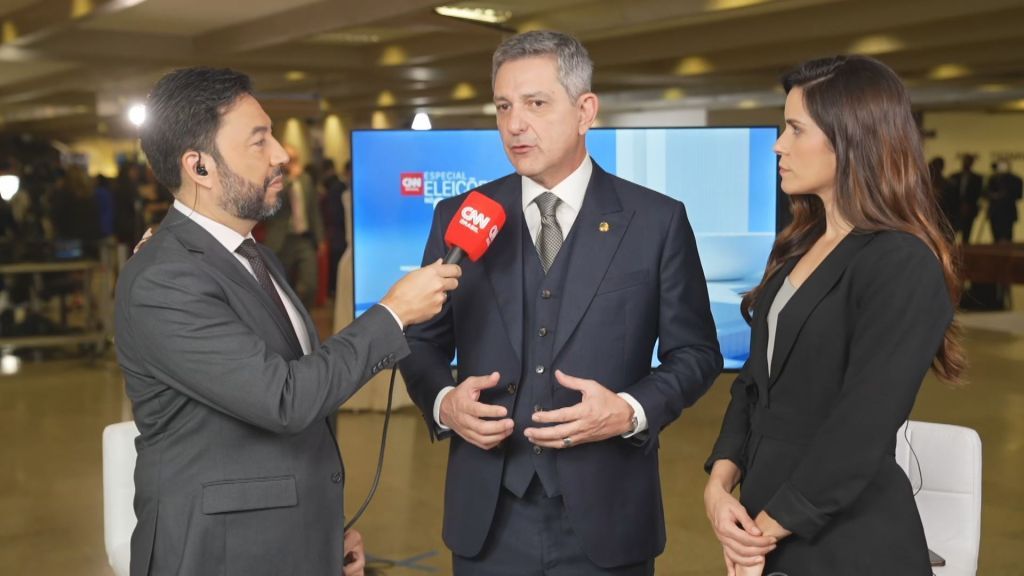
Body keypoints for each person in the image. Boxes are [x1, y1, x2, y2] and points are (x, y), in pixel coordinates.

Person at [114, 67, 461, 576]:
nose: (281, 154)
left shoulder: (251, 255)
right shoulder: (164, 280)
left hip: (286, 539)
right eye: (260, 141)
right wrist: (393, 313)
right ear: (200, 167)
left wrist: (322, 530)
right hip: (220, 553)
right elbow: (285, 399)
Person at [399, 30, 722, 575]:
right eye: (503, 106)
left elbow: (696, 353)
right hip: (487, 516)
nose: (515, 124)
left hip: (609, 514)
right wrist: (443, 402)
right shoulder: (460, 216)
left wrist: (629, 411)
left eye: (536, 103)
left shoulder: (656, 222)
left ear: (585, 110)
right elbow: (419, 341)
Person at [703, 55, 965, 576]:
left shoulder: (901, 262)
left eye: (796, 129)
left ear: (852, 139)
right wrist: (718, 485)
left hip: (844, 541)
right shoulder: (801, 247)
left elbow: (863, 423)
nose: (779, 144)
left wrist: (766, 530)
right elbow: (754, 386)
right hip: (764, 521)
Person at [262, 146, 324, 310]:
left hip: (304, 239)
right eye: (287, 159)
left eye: (294, 159)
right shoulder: (272, 180)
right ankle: (289, 323)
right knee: (283, 286)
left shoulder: (306, 180)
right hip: (282, 241)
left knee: (310, 284)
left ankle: (304, 318)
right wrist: (289, 181)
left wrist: (320, 239)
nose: (290, 163)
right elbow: (272, 206)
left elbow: (313, 211)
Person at [320, 158, 348, 297]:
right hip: (339, 235)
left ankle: (334, 291)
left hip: (337, 234)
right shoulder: (339, 190)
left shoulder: (337, 188)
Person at [984, 159, 1023, 243]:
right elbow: (987, 193)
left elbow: (1018, 195)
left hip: (1008, 212)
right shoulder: (992, 179)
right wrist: (995, 196)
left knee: (1007, 236)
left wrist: (1005, 195)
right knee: (996, 237)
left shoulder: (1016, 179)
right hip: (995, 212)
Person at [949, 153, 983, 243]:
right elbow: (950, 194)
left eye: (968, 161)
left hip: (970, 211)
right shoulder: (954, 177)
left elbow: (977, 194)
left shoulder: (977, 179)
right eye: (965, 161)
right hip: (954, 211)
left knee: (966, 236)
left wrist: (968, 205)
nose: (966, 163)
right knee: (951, 236)